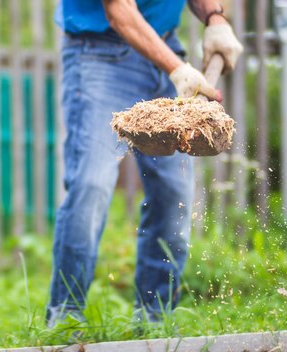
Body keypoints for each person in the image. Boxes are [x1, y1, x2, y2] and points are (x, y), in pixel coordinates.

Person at [47, 0, 243, 327]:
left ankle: (154, 319)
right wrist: (177, 69)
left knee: (173, 193)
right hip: (99, 53)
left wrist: (214, 17)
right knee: (90, 186)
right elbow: (119, 9)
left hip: (164, 45)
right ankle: (65, 317)